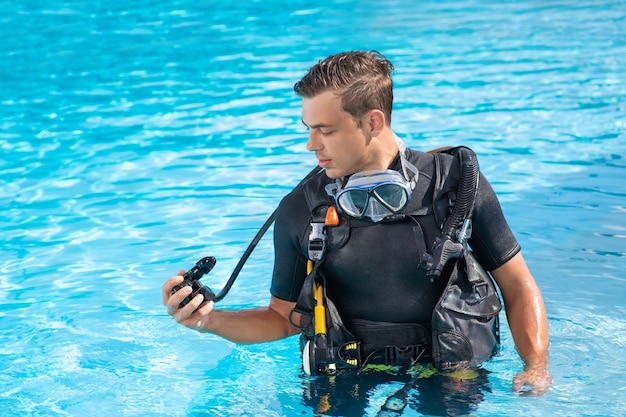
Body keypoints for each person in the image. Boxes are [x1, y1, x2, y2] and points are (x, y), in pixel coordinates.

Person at [162, 51, 553, 402]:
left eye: (326, 130)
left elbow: (518, 285)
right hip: (345, 375)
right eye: (308, 128)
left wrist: (536, 366)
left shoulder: (456, 186)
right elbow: (282, 319)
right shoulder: (301, 208)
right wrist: (206, 320)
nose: (311, 145)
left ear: (373, 121)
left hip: (451, 370)